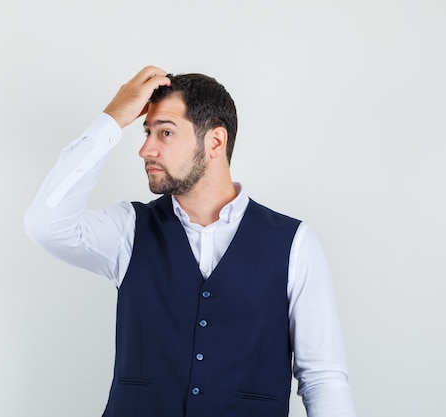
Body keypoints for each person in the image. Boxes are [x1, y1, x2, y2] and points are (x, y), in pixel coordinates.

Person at [25, 66, 356, 417]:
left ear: (215, 142)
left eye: (165, 133)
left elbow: (322, 378)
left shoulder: (294, 244)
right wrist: (112, 120)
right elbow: (46, 224)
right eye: (146, 132)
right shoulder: (128, 229)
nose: (146, 149)